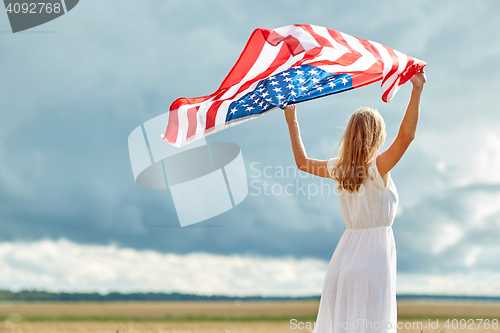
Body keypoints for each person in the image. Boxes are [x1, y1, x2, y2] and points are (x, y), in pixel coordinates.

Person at [284, 68, 426, 333]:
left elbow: (302, 163)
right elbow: (406, 137)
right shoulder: (376, 168)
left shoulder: (340, 168)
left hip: (343, 259)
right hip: (373, 260)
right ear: (377, 136)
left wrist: (292, 120)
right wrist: (417, 90)